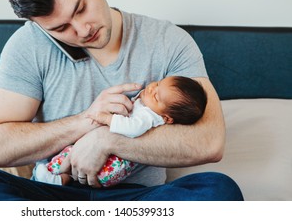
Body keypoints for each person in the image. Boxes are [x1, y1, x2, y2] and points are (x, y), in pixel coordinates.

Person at [0, 0, 243, 200]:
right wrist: (85, 122)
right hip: (52, 200)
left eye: (80, 8)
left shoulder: (169, 41)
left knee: (218, 190)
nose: (82, 30)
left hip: (139, 201)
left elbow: (209, 141)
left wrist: (108, 140)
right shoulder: (28, 45)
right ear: (40, 26)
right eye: (61, 28)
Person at [33, 76, 207, 187]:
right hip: (110, 167)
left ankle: (54, 176)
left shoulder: (150, 117)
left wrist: (106, 119)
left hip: (112, 165)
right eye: (158, 84)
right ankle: (59, 179)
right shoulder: (150, 107)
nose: (152, 88)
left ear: (167, 118)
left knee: (71, 153)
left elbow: (132, 128)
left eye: (156, 96)